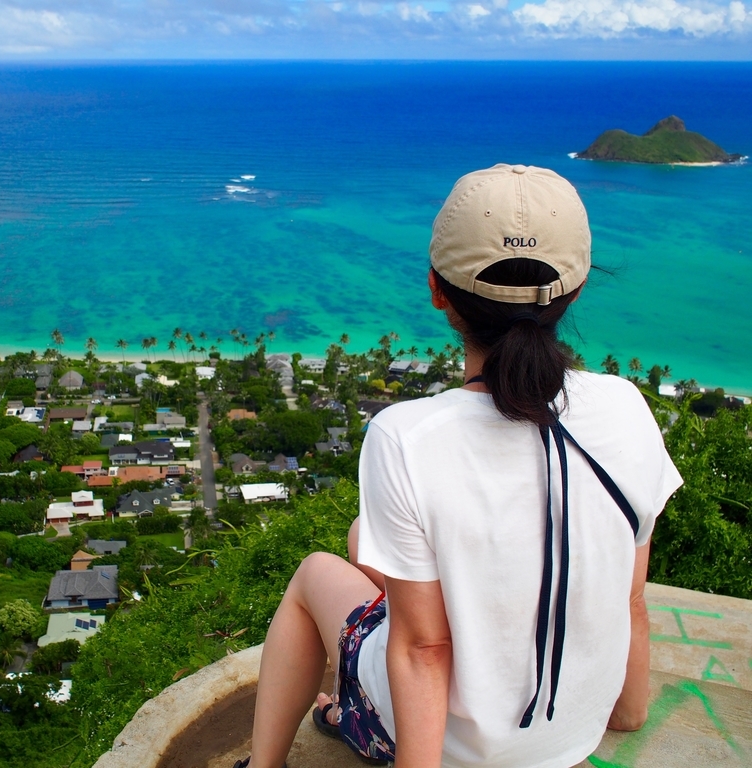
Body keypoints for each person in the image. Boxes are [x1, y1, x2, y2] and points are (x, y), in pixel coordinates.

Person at [235, 164, 683, 768]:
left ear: (438, 291)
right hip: (569, 734)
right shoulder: (626, 406)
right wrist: (625, 713)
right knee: (364, 540)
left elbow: (424, 649)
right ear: (575, 289)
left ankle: (271, 761)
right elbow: (630, 600)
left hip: (453, 746)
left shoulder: (407, 436)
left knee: (318, 571)